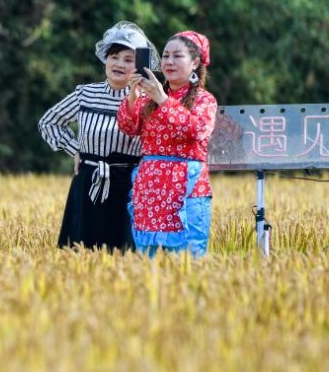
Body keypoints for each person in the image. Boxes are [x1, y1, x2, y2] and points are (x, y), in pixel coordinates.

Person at [39, 21, 160, 250]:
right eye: (114, 57)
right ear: (105, 59)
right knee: (80, 251)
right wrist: (74, 150)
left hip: (128, 185)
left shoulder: (147, 99)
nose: (119, 64)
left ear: (139, 66)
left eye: (128, 59)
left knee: (123, 252)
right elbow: (49, 122)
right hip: (88, 181)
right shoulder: (85, 94)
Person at [117, 31, 217, 257]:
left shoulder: (204, 99)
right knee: (148, 255)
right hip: (150, 186)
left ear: (195, 62)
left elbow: (195, 130)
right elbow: (128, 127)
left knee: (188, 256)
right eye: (165, 56)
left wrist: (162, 99)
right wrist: (133, 96)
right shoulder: (148, 98)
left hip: (186, 184)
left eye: (177, 56)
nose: (169, 62)